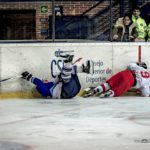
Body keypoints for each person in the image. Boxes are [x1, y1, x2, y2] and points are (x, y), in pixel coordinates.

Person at [21, 53, 94, 99]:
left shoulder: (52, 85)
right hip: (66, 93)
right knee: (65, 78)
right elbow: (39, 83)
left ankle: (83, 69)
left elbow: (57, 79)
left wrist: (60, 76)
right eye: (44, 81)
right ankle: (68, 62)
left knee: (66, 75)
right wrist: (29, 77)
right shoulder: (45, 91)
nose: (45, 80)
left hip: (74, 90)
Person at [84, 62, 150, 98]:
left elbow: (130, 65)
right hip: (131, 81)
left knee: (109, 84)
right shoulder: (148, 80)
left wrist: (137, 64)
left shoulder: (140, 68)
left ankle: (96, 90)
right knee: (116, 91)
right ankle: (108, 93)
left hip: (125, 73)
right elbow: (146, 93)